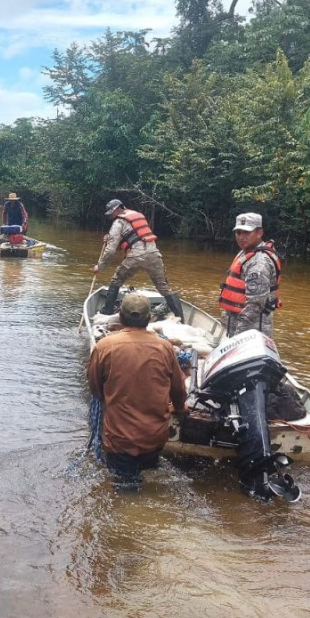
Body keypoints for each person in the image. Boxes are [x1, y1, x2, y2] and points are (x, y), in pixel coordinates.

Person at [86, 293, 188, 490]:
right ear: (148, 319)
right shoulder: (165, 347)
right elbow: (178, 389)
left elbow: (96, 389)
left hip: (120, 440)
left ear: (121, 317)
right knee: (152, 483)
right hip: (155, 437)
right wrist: (181, 408)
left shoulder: (105, 346)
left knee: (125, 491)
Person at [93, 198, 184, 321]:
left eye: (111, 213)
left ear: (117, 209)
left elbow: (110, 250)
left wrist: (100, 266)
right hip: (154, 254)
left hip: (136, 256)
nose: (110, 216)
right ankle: (181, 319)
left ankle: (107, 310)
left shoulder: (118, 222)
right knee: (164, 288)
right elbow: (133, 240)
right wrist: (111, 239)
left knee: (116, 280)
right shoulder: (137, 215)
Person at [219, 212, 281, 338]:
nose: (241, 237)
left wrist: (238, 335)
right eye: (238, 232)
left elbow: (255, 304)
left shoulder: (259, 264)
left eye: (246, 233)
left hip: (250, 332)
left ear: (259, 233)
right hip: (235, 325)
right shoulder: (246, 252)